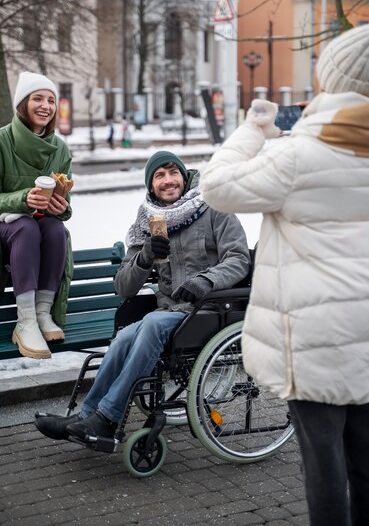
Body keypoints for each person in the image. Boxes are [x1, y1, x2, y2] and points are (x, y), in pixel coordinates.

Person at [200, 24, 369, 526]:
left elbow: (216, 186)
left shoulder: (296, 156)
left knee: (323, 465)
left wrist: (253, 131)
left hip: (314, 339)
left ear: (331, 82)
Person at [35, 150, 250, 442]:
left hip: (209, 309)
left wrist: (206, 281)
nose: (168, 180)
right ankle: (87, 416)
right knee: (123, 337)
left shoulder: (214, 207)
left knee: (150, 325)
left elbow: (238, 259)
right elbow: (123, 287)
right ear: (151, 186)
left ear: (184, 177)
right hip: (170, 313)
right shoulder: (148, 222)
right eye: (159, 175)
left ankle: (108, 418)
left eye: (173, 172)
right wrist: (145, 256)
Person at [0, 71, 73, 360]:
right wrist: (22, 198)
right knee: (26, 227)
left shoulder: (60, 149)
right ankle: (26, 321)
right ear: (23, 103)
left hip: (35, 226)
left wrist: (63, 207)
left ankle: (43, 313)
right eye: (37, 98)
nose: (45, 106)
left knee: (57, 229)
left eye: (51, 100)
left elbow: (63, 199)